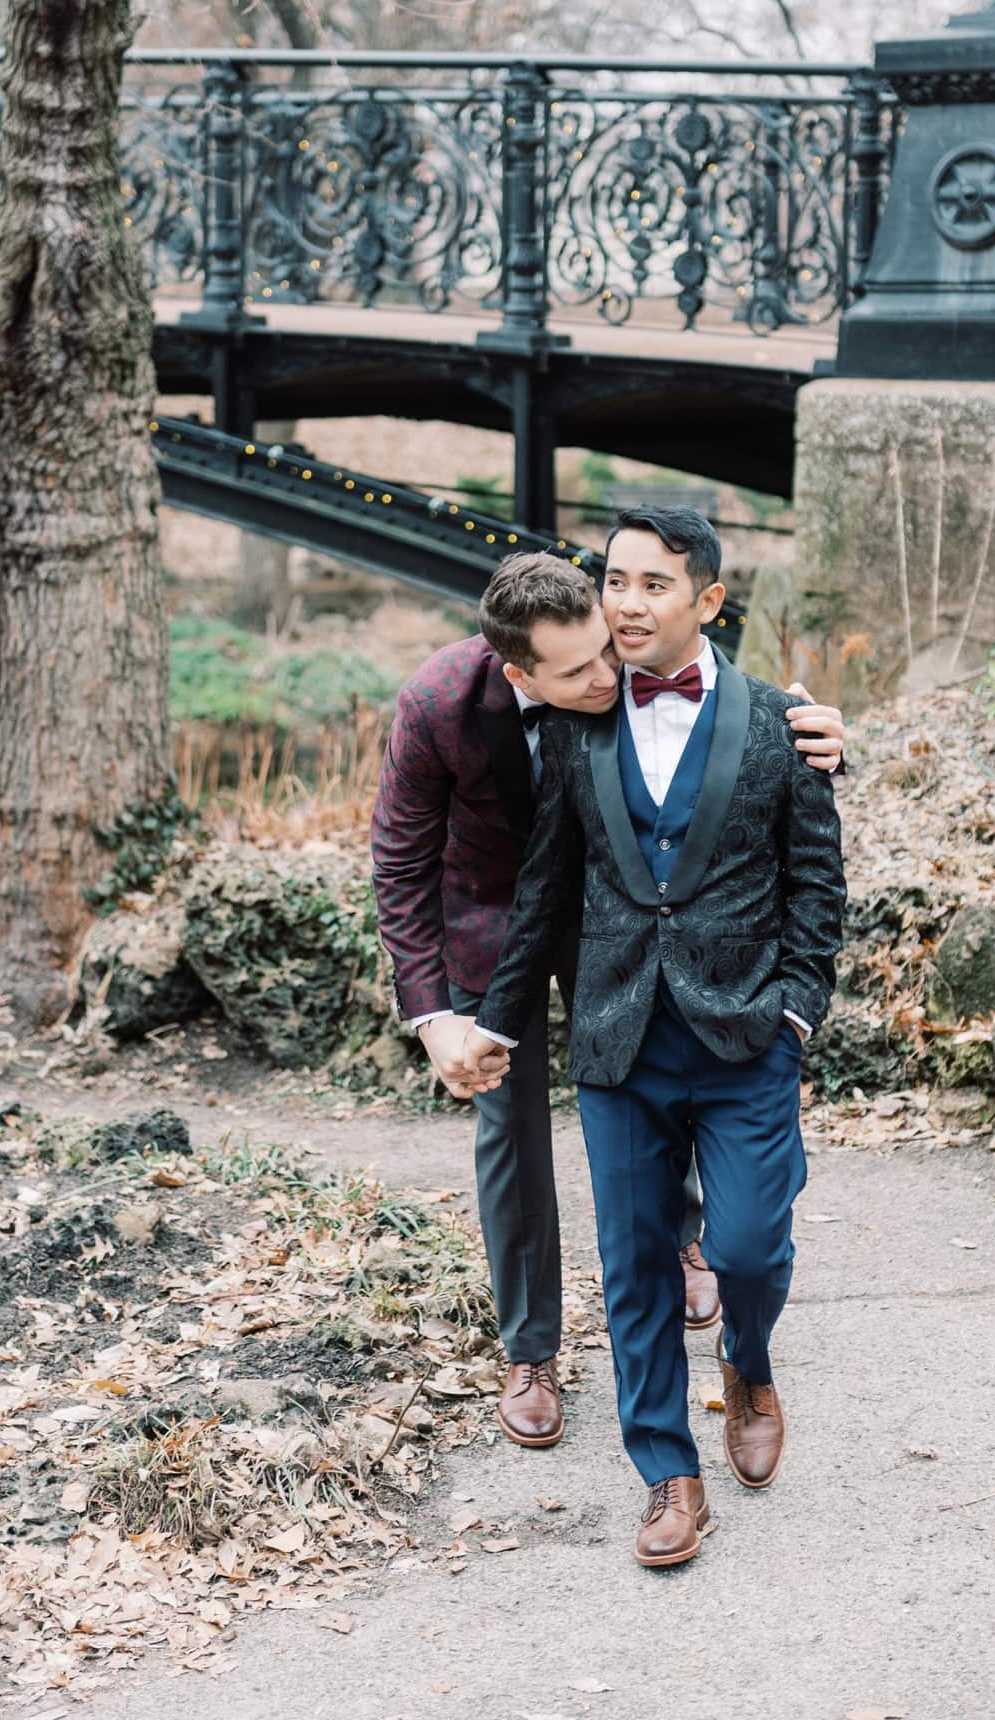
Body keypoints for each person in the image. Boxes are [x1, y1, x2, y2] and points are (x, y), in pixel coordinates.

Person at [370, 543, 844, 1451]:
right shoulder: (437, 703)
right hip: (493, 921)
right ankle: (531, 1352)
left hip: (622, 915)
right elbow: (400, 860)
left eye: (605, 649)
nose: (605, 673)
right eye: (576, 669)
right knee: (507, 1126)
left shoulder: (617, 641)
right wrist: (434, 1016)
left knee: (667, 1055)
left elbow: (725, 723)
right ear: (519, 672)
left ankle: (690, 1238)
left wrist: (825, 735)